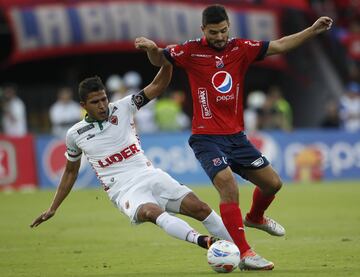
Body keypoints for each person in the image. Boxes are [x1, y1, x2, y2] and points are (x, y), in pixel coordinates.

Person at [135, 4, 333, 270]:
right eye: (214, 32)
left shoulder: (241, 48)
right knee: (228, 186)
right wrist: (151, 49)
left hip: (236, 137)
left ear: (229, 26)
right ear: (203, 29)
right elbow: (160, 59)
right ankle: (245, 252)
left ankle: (255, 217)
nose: (219, 36)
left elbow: (281, 45)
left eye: (224, 31)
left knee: (273, 184)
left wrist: (312, 30)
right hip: (206, 137)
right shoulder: (190, 50)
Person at [30, 65, 234, 253]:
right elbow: (70, 172)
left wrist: (167, 61)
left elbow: (157, 86)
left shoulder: (124, 106)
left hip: (149, 175)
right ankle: (205, 242)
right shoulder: (75, 134)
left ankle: (242, 252)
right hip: (123, 190)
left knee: (202, 208)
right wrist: (53, 208)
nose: (102, 105)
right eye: (95, 102)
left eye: (103, 99)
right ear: (83, 105)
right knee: (151, 212)